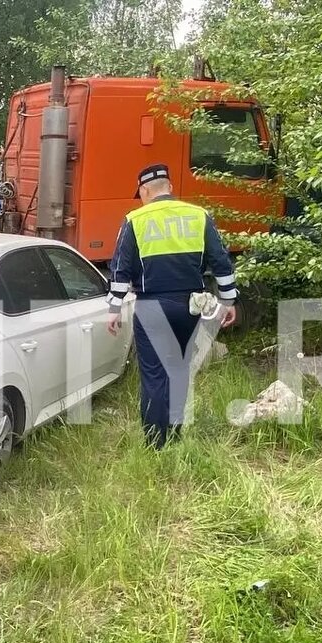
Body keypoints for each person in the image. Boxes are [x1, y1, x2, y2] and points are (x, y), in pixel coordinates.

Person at [106, 164, 238, 449]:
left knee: (154, 375)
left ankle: (156, 444)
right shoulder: (198, 216)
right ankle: (176, 437)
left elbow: (120, 269)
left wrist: (114, 308)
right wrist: (228, 301)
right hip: (190, 306)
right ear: (170, 188)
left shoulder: (135, 220)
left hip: (151, 306)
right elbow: (221, 262)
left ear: (144, 191)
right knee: (179, 371)